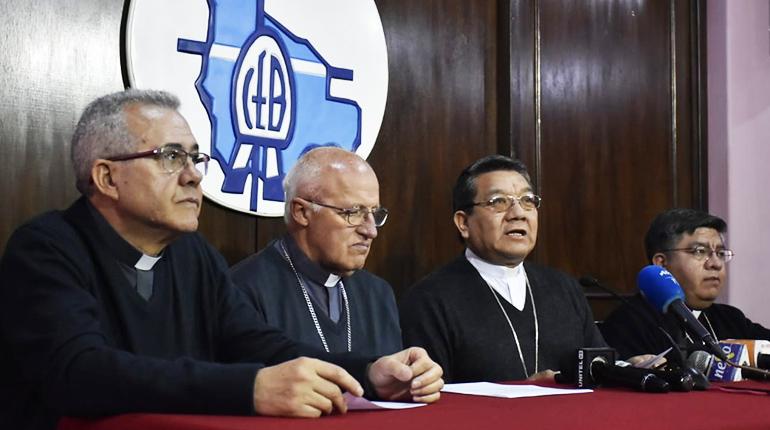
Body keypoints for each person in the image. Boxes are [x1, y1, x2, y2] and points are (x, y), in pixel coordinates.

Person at [0, 89, 442, 430]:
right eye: (170, 157)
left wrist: (367, 373)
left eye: (195, 158)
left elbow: (261, 345)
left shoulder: (192, 255)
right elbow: (81, 372)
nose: (194, 175)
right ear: (107, 176)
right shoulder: (46, 248)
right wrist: (249, 389)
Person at [399, 155, 606, 383]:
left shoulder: (565, 288)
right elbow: (429, 395)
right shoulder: (430, 299)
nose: (518, 213)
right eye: (498, 202)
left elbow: (598, 368)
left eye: (527, 200)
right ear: (463, 223)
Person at [231, 147, 401, 357]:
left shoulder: (378, 294)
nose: (370, 231)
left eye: (374, 213)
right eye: (353, 212)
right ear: (302, 212)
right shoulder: (243, 291)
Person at [601, 208, 770, 359]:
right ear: (661, 263)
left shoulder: (731, 319)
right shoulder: (629, 324)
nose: (715, 263)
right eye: (699, 251)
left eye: (720, 253)